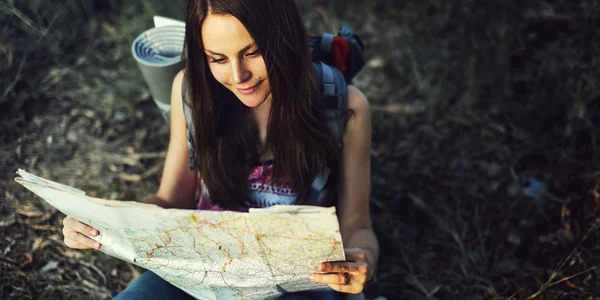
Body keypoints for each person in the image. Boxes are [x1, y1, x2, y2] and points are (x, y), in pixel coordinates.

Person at [60, 0, 379, 298]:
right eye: (218, 59)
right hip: (206, 265)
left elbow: (357, 226)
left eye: (252, 52)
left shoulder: (343, 104)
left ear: (283, 38)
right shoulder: (192, 92)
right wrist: (105, 220)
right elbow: (170, 200)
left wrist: (361, 260)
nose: (238, 76)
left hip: (303, 278)